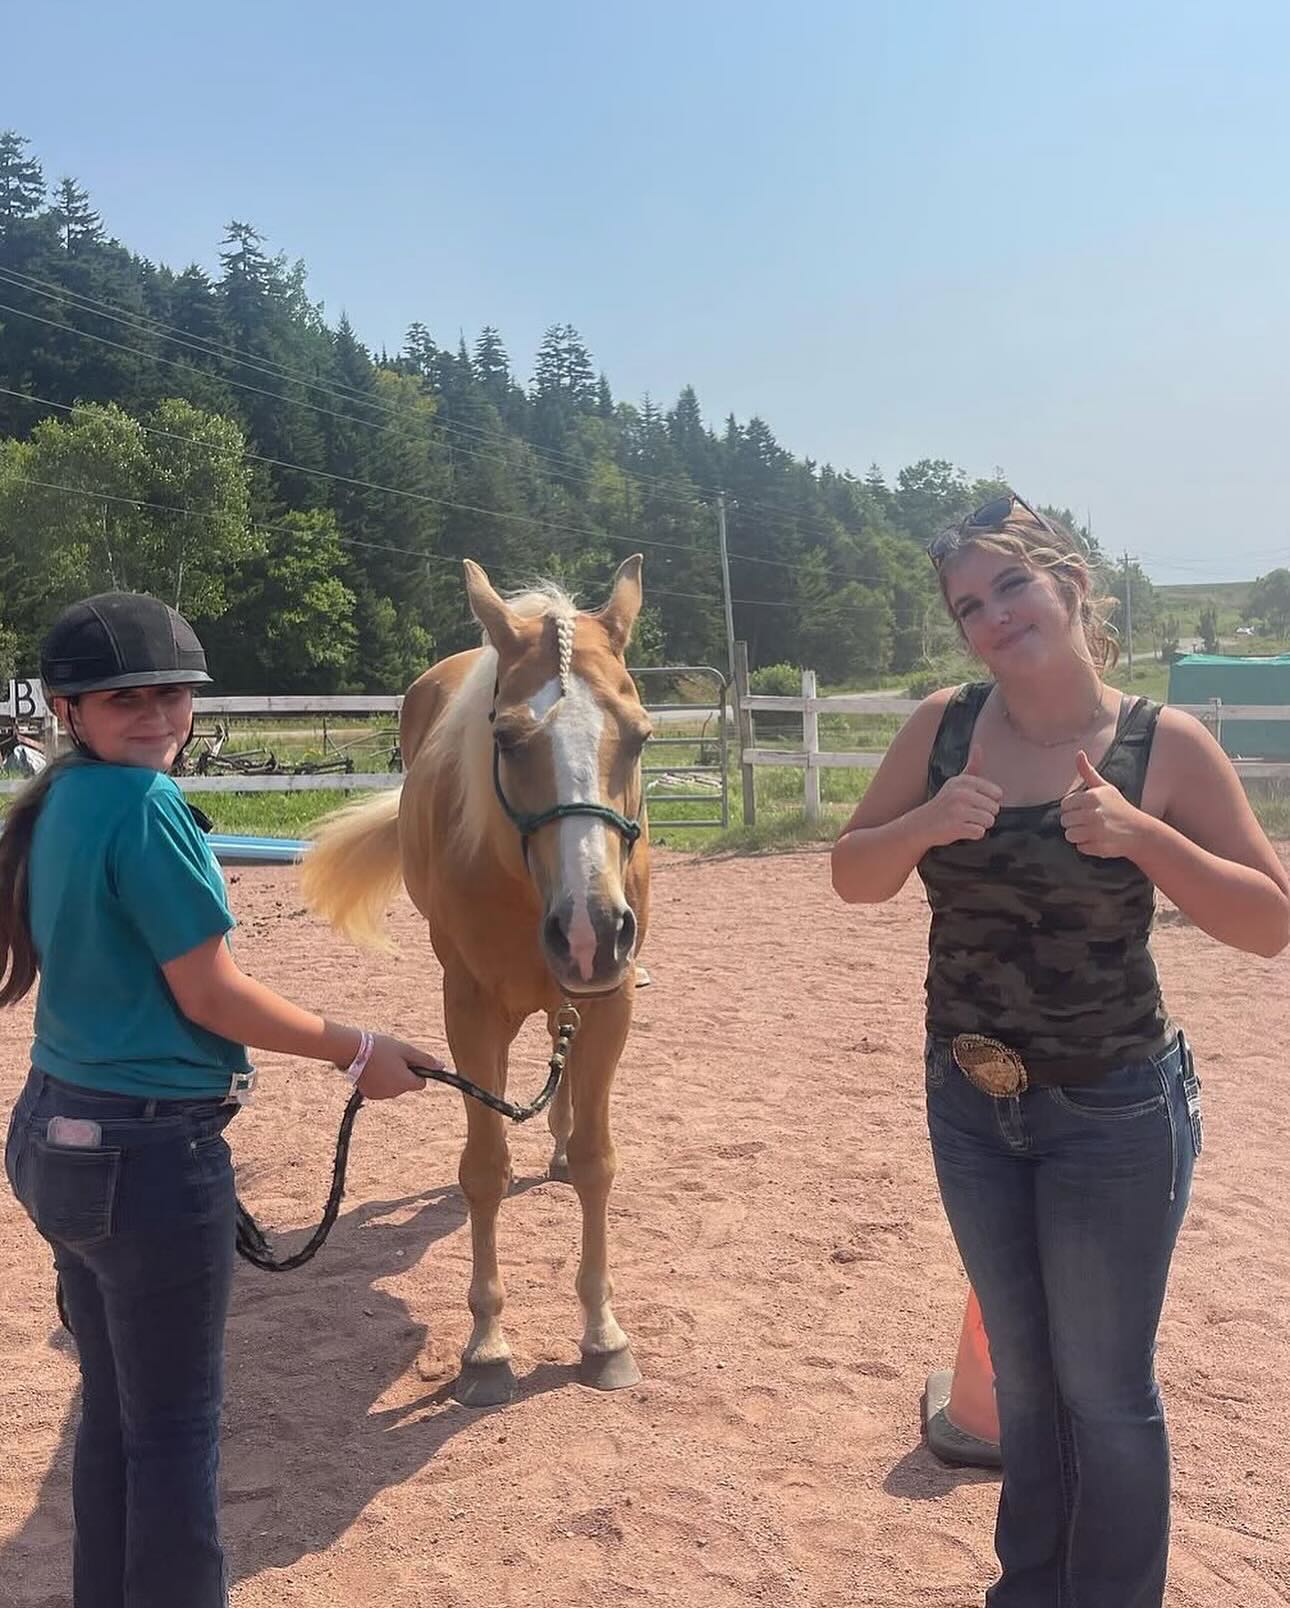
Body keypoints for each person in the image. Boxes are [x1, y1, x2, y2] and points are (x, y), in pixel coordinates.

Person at [831, 495, 1290, 1608]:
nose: (993, 617)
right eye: (968, 607)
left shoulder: (1159, 744)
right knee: (1027, 1390)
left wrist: (1146, 836)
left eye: (1011, 588)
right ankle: (1029, 1592)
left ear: (1071, 584)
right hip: (971, 1103)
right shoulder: (944, 727)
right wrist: (924, 823)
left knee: (1104, 1390)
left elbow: (1270, 920)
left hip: (1116, 1112)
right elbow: (853, 873)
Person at [1, 591, 443, 1608]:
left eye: (172, 695)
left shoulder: (58, 801)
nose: (157, 716)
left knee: (116, 1419)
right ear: (68, 710)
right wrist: (359, 1049)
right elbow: (211, 993)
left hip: (55, 1133)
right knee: (175, 1437)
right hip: (146, 1154)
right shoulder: (147, 808)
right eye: (127, 700)